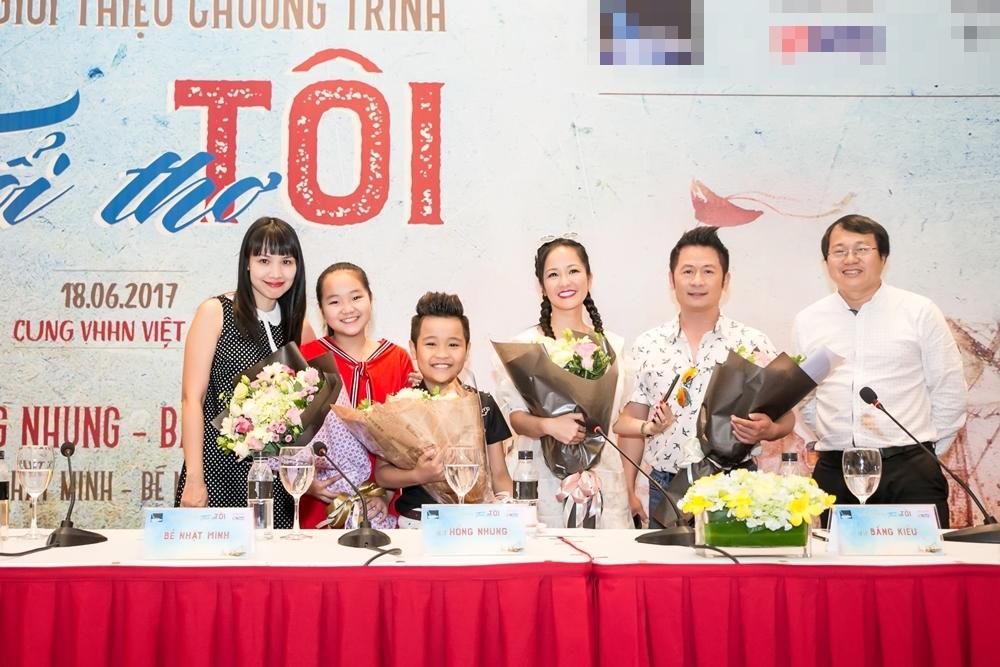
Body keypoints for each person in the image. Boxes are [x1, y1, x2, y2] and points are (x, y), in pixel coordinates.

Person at [793, 214, 966, 527]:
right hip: (837, 473)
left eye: (862, 249)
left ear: (883, 257)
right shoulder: (808, 320)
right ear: (826, 261)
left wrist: (922, 450)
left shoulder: (918, 311)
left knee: (920, 559)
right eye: (839, 251)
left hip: (909, 472)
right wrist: (835, 437)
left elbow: (948, 389)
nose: (850, 259)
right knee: (841, 560)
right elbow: (806, 397)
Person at [614, 226, 794, 527]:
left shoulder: (752, 343)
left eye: (708, 271)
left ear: (725, 280)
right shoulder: (649, 344)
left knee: (731, 560)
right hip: (666, 487)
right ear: (672, 279)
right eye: (688, 271)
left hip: (734, 485)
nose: (697, 281)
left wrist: (768, 429)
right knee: (664, 560)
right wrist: (629, 490)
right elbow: (631, 421)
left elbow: (786, 417)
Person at [175, 217, 315, 529]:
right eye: (264, 260)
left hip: (278, 479)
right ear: (247, 264)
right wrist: (195, 478)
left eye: (286, 262)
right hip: (217, 468)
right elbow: (191, 399)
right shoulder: (216, 312)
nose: (276, 273)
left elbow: (310, 407)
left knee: (274, 558)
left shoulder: (300, 326)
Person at [494, 237, 632, 528]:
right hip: (543, 481)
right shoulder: (524, 348)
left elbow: (618, 420)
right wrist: (549, 426)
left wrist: (648, 427)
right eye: (553, 274)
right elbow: (515, 418)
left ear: (589, 279)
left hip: (604, 481)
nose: (564, 282)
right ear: (542, 286)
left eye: (573, 271)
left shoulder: (614, 347)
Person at [376, 292, 513, 527]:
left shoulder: (483, 405)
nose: (442, 354)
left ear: (467, 350)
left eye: (453, 344)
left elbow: (500, 476)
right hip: (416, 525)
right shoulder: (400, 407)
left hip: (473, 525)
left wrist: (512, 515)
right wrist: (417, 476)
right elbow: (382, 474)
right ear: (413, 348)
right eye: (430, 344)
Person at [298, 262, 413, 528]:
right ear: (321, 310)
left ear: (370, 299)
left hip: (382, 504)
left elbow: (407, 440)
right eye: (334, 301)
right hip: (322, 499)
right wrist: (305, 481)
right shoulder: (308, 357)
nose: (347, 309)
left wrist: (384, 494)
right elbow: (291, 434)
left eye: (356, 297)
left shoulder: (398, 359)